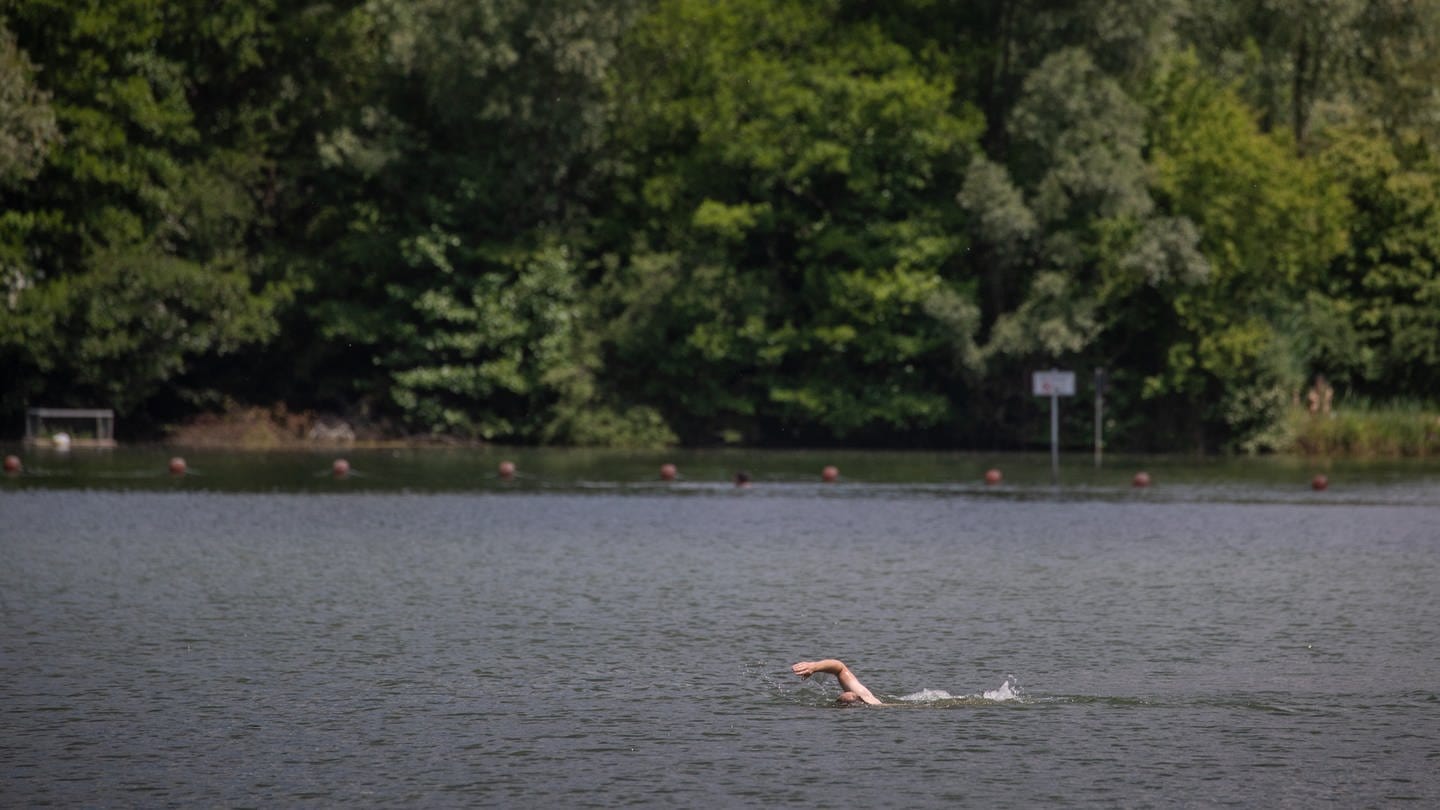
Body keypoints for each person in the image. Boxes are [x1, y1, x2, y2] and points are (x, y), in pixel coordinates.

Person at [791, 659, 883, 705]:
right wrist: (814, 667)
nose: (850, 693)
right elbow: (840, 667)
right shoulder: (868, 698)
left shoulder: (872, 703)